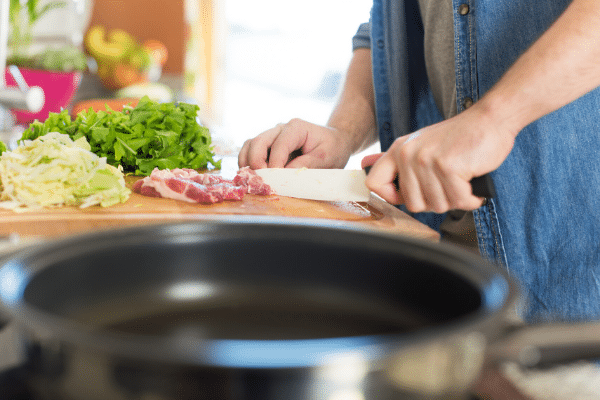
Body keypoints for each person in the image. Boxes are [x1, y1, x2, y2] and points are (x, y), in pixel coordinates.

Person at [238, 0, 600, 326]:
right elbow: (384, 33)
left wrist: (494, 118)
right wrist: (341, 132)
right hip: (445, 244)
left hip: (571, 267)